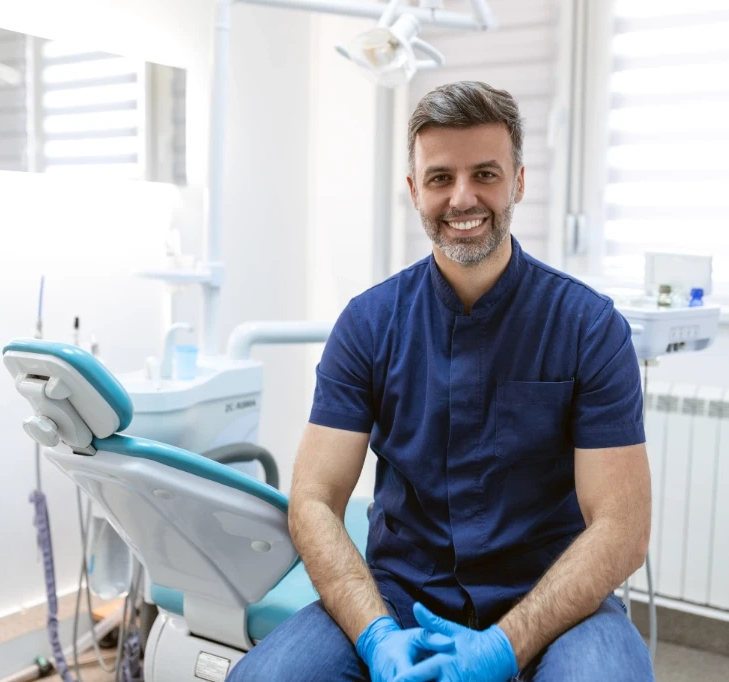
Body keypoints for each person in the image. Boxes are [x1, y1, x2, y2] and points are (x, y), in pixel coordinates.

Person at [228, 81, 654, 682]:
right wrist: (375, 635)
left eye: (485, 173)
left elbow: (623, 528)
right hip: (399, 596)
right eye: (439, 178)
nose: (462, 198)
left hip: (552, 601)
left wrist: (509, 643)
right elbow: (314, 500)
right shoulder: (369, 324)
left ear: (519, 181)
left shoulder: (587, 327)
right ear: (413, 190)